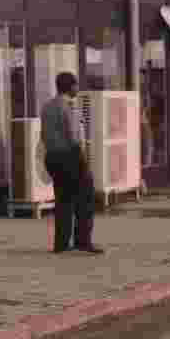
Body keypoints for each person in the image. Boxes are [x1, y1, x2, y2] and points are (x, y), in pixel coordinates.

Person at [40, 72, 104, 255]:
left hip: (52, 158)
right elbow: (75, 137)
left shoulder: (46, 107)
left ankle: (61, 243)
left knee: (62, 200)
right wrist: (83, 160)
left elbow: (43, 136)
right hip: (70, 156)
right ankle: (82, 241)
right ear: (70, 87)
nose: (78, 88)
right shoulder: (69, 107)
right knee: (85, 199)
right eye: (76, 85)